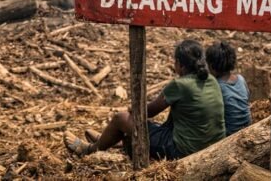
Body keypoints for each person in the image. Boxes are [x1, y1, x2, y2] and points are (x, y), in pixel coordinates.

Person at [65, 39, 225, 160]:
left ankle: (89, 150)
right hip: (213, 146)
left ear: (180, 65)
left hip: (184, 150)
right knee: (134, 130)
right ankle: (107, 141)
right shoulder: (210, 79)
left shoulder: (180, 84)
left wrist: (132, 110)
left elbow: (147, 113)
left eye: (174, 62)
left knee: (121, 118)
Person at [206, 40, 252, 136]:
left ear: (211, 66)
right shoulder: (240, 79)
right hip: (247, 129)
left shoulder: (216, 87)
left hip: (229, 135)